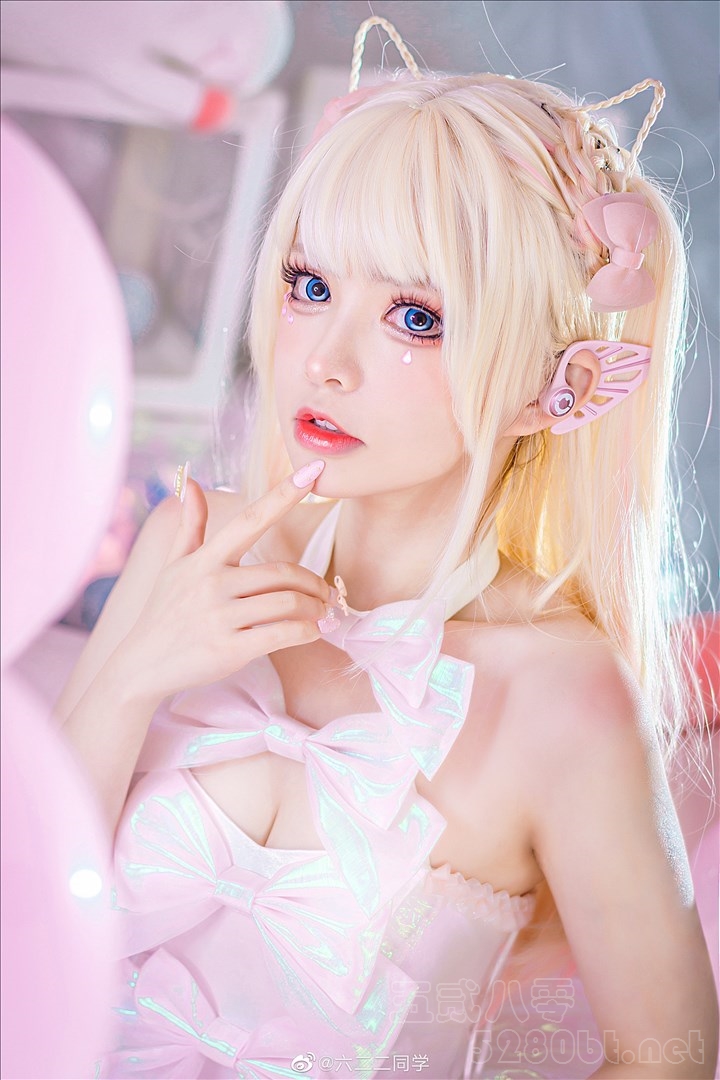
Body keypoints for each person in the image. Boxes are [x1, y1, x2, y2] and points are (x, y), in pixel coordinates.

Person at [57, 16, 718, 1080]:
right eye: (311, 286)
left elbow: (672, 1057)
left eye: (415, 317)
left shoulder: (563, 695)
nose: (324, 360)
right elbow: (25, 907)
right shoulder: (192, 542)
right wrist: (131, 678)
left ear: (551, 387)